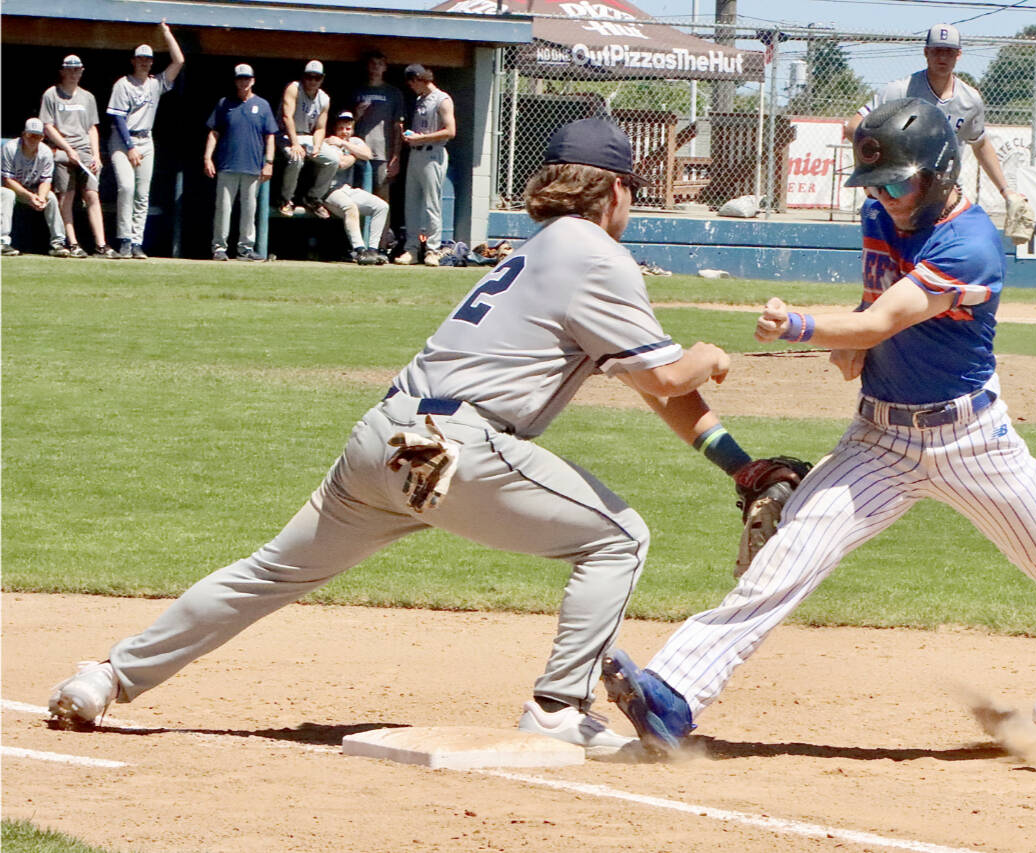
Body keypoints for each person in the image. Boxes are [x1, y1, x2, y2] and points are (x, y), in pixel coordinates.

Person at [48, 118, 768, 759]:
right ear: (612, 189)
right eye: (632, 190)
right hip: (452, 446)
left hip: (386, 438)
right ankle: (558, 707)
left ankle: (106, 675)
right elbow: (670, 378)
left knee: (268, 572)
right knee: (619, 537)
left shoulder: (540, 248)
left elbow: (652, 386)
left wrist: (737, 464)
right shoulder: (595, 254)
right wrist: (709, 354)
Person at [602, 99, 1036, 757]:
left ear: (939, 171)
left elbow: (885, 320)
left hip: (970, 439)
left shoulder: (972, 243)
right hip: (881, 439)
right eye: (877, 185)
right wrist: (851, 343)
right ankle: (674, 694)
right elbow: (872, 310)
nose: (890, 198)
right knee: (791, 551)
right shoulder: (881, 216)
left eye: (901, 182)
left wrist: (804, 327)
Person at [844, 24, 1024, 214]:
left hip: (944, 195)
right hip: (900, 192)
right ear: (926, 52)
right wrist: (886, 159)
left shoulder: (970, 99)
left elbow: (980, 144)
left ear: (959, 55)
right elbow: (853, 128)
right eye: (937, 51)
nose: (943, 58)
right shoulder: (900, 91)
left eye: (949, 52)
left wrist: (1006, 191)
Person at [106, 21, 185, 259]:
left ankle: (137, 241)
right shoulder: (123, 83)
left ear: (152, 61)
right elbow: (118, 118)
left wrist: (167, 34)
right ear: (133, 60)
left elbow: (179, 61)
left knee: (143, 193)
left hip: (146, 140)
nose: (144, 61)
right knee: (127, 188)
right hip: (123, 140)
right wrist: (129, 148)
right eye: (140, 58)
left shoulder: (154, 84)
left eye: (148, 59)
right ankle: (125, 241)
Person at [40, 54, 119, 258]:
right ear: (62, 71)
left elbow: (92, 128)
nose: (74, 73)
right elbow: (47, 126)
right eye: (70, 69)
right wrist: (67, 149)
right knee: (67, 197)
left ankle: (101, 245)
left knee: (92, 195)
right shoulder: (51, 95)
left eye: (78, 70)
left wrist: (96, 156)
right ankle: (73, 243)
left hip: (85, 153)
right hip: (61, 153)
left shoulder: (88, 97)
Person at [204, 63, 278, 261]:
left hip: (253, 167)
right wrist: (207, 157)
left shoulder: (262, 105)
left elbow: (270, 136)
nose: (243, 82)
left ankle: (245, 248)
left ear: (253, 81)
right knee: (223, 209)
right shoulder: (224, 103)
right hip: (227, 165)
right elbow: (214, 132)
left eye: (247, 78)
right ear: (235, 81)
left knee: (249, 210)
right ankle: (219, 248)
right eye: (240, 78)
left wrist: (269, 162)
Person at [394, 65, 454, 266]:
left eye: (411, 83)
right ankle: (411, 249)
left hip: (433, 154)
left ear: (418, 79)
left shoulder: (442, 99)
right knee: (411, 204)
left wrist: (423, 138)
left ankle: (433, 250)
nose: (411, 87)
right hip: (415, 154)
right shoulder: (420, 99)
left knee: (431, 205)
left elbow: (450, 131)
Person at [321, 111, 389, 265]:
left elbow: (367, 154)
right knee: (350, 207)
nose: (345, 132)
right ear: (335, 129)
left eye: (348, 128)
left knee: (381, 206)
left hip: (347, 189)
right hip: (328, 191)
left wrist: (345, 145)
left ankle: (372, 250)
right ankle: (359, 250)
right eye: (341, 128)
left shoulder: (354, 141)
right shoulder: (328, 142)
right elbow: (341, 164)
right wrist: (353, 155)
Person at [276, 60, 339, 218]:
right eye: (309, 77)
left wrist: (317, 146)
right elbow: (287, 117)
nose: (312, 81)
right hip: (286, 133)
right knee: (296, 157)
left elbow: (320, 128)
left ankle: (313, 197)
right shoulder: (294, 88)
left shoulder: (324, 98)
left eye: (316, 78)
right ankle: (285, 199)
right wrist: (295, 144)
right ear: (304, 77)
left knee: (333, 159)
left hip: (307, 136)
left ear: (322, 79)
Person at [2, 117, 72, 257]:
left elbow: (46, 180)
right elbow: (7, 180)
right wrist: (29, 196)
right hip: (9, 188)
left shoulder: (45, 152)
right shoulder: (10, 148)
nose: (33, 139)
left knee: (50, 197)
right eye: (30, 135)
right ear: (24, 134)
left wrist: (40, 197)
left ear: (42, 138)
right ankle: (2, 242)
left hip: (31, 190)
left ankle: (58, 243)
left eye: (37, 136)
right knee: (7, 194)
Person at [353, 49, 404, 205]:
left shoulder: (394, 93)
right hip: (357, 151)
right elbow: (345, 123)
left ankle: (382, 230)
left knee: (381, 199)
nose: (376, 67)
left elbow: (398, 127)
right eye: (373, 64)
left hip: (382, 154)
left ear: (385, 68)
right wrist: (357, 114)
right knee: (357, 196)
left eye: (380, 64)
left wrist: (396, 156)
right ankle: (360, 230)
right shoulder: (357, 91)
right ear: (367, 66)